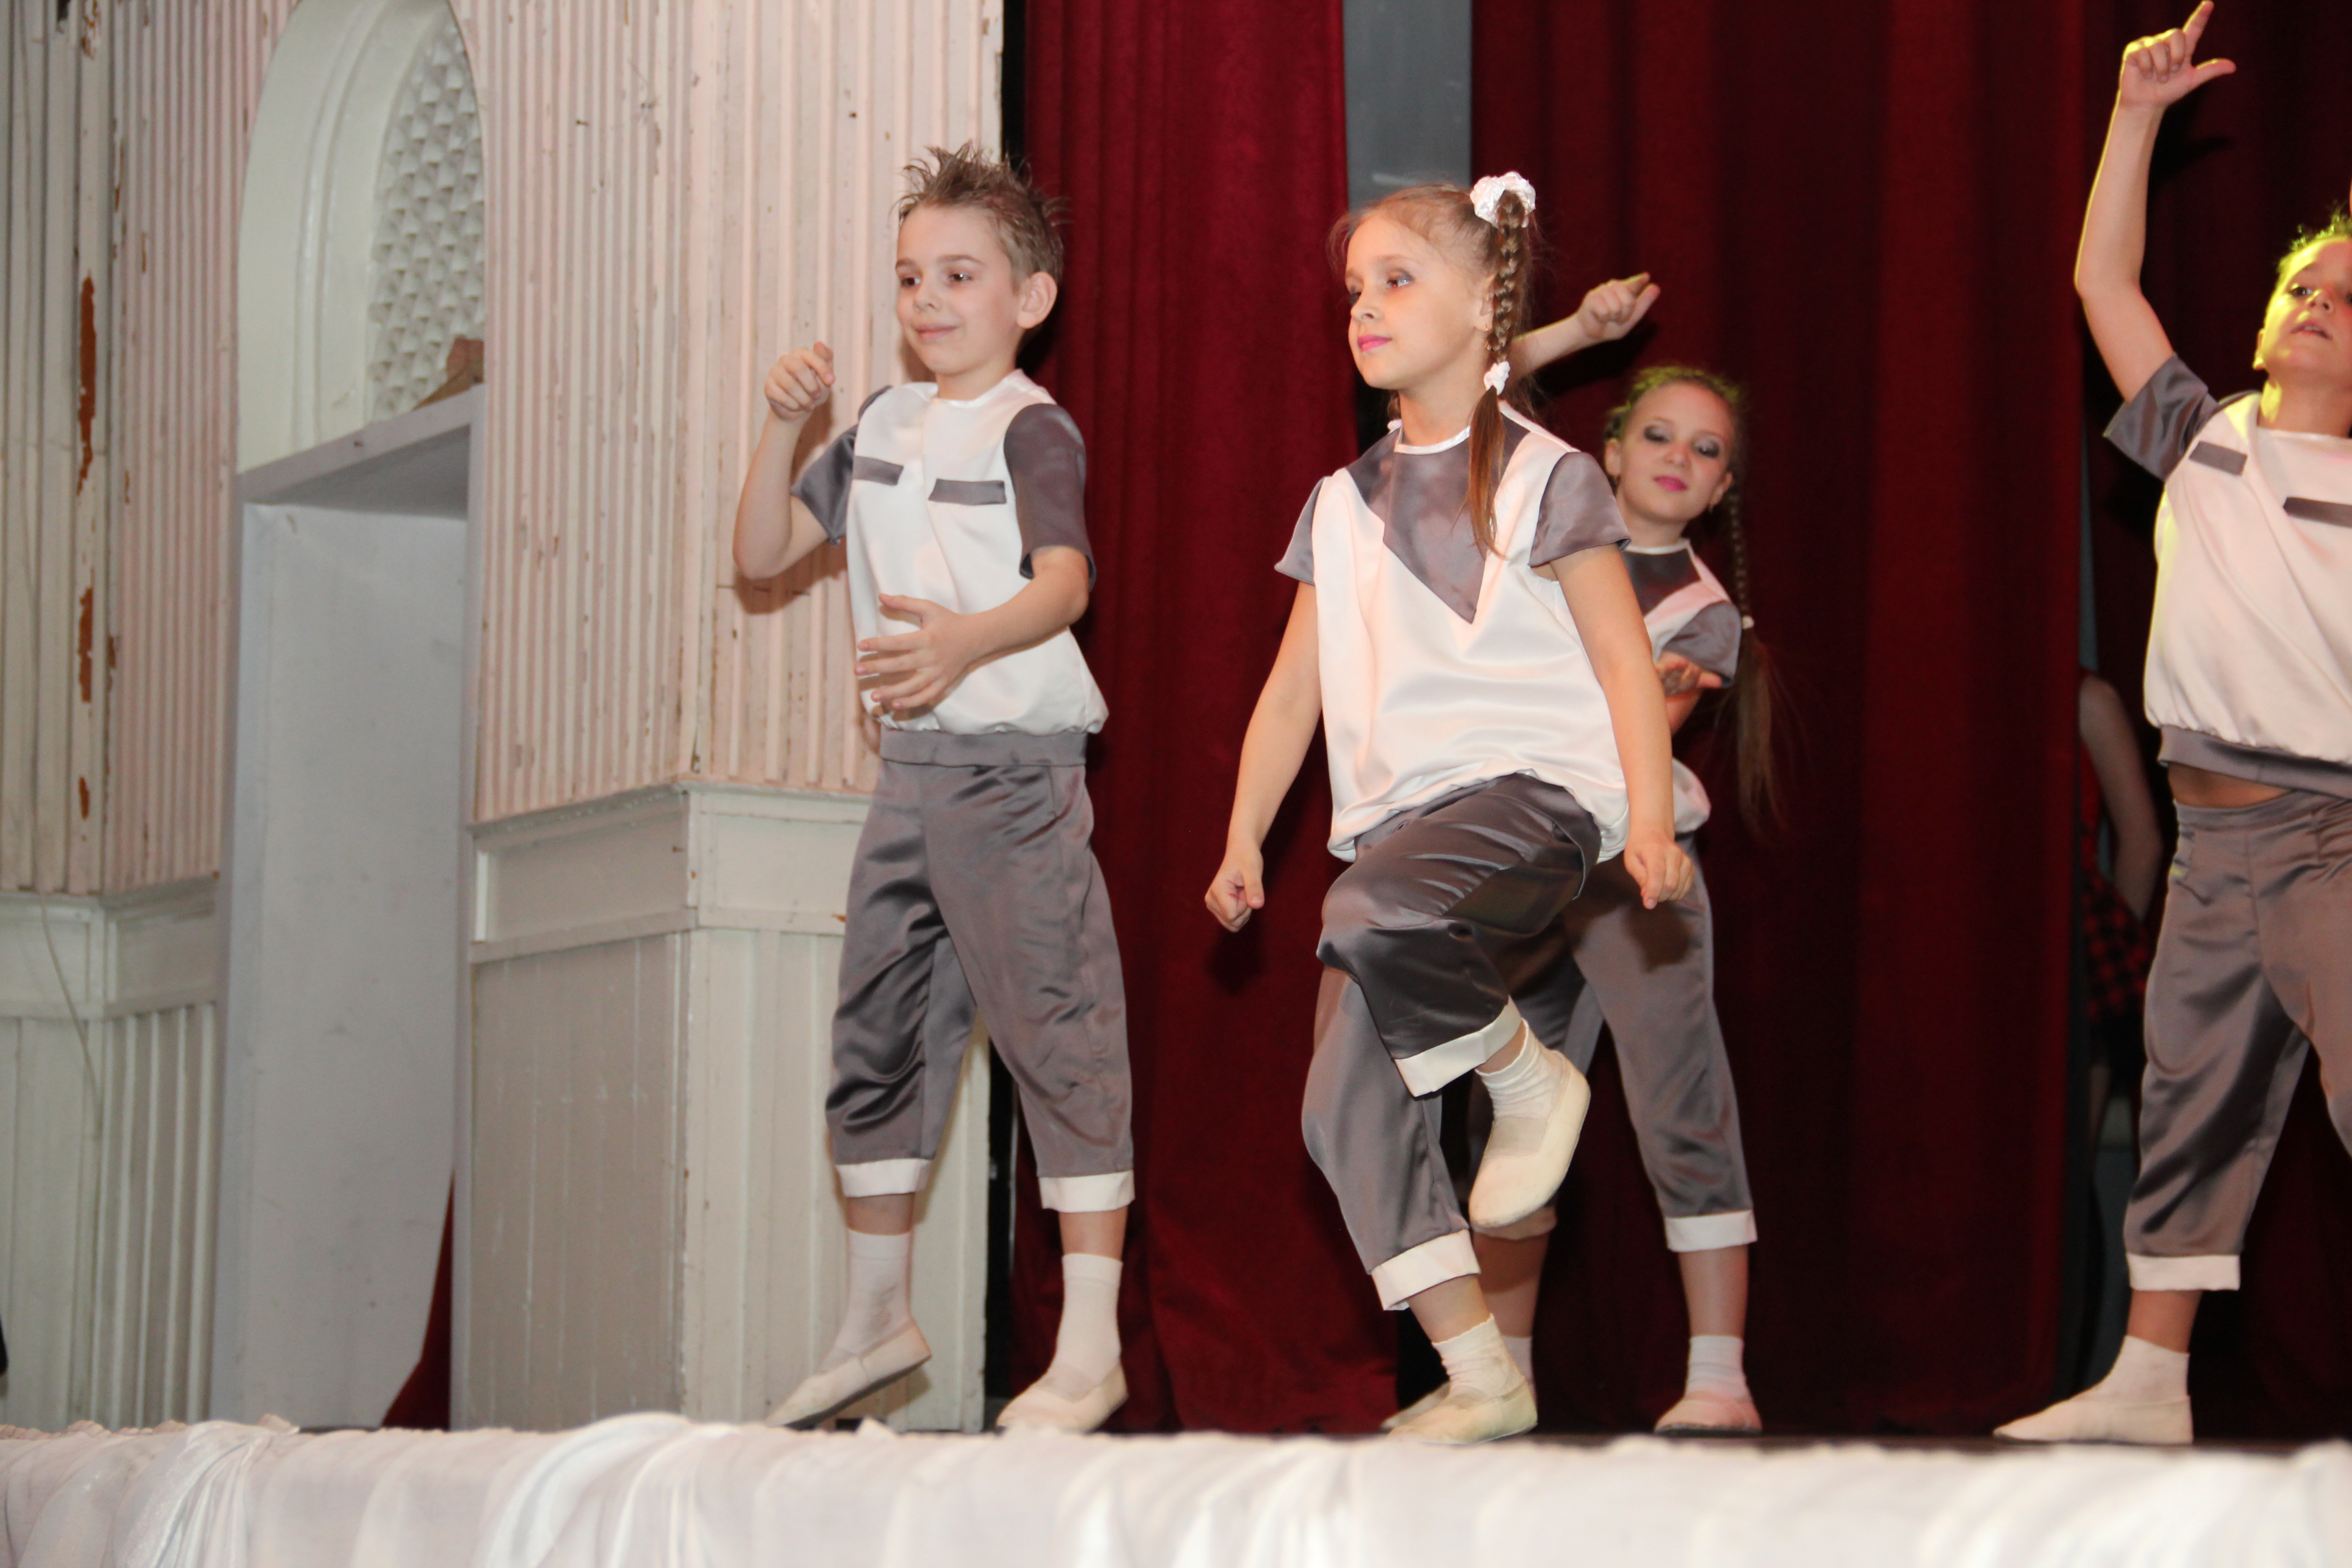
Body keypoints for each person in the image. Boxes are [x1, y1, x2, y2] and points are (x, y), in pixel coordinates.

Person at [1205, 173, 1693, 1445]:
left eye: (1397, 280)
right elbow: (1291, 693)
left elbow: (1625, 660)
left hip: (1530, 800)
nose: (1364, 307)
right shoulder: (1339, 503)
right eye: (1354, 289)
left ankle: (1529, 1082)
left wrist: (1648, 818)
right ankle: (1483, 1375)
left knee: (1373, 910)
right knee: (1340, 1107)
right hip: (1400, 838)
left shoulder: (1548, 477)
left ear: (1486, 306)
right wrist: (1246, 831)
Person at [733, 143, 1133, 1435]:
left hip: (1013, 775)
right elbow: (760, 556)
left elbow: (1066, 583)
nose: (929, 299)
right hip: (908, 776)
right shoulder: (879, 428)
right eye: (912, 276)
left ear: (1031, 297)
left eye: (961, 275)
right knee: (878, 1035)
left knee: (1057, 1037)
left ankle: (1091, 1347)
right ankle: (876, 1319)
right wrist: (782, 426)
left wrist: (965, 642)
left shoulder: (1031, 425)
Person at [1999, 3, 2352, 1446]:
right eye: (2304, 285)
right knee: (2193, 1094)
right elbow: (2104, 279)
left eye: (2350, 298)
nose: (2318, 302)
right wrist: (2135, 117)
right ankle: (2150, 1384)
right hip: (2211, 843)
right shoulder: (2205, 440)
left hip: (2330, 836)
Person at [1380, 358, 1777, 1436]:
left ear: (1722, 489)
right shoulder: (1538, 546)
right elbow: (1475, 397)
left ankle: (1721, 1379)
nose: (1678, 459)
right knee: (1511, 1111)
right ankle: (1501, 1380)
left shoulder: (1701, 611)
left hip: (1637, 880)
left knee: (1680, 1100)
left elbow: (1617, 735)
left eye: (1706, 450)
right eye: (1658, 435)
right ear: (1607, 453)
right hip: (1534, 873)